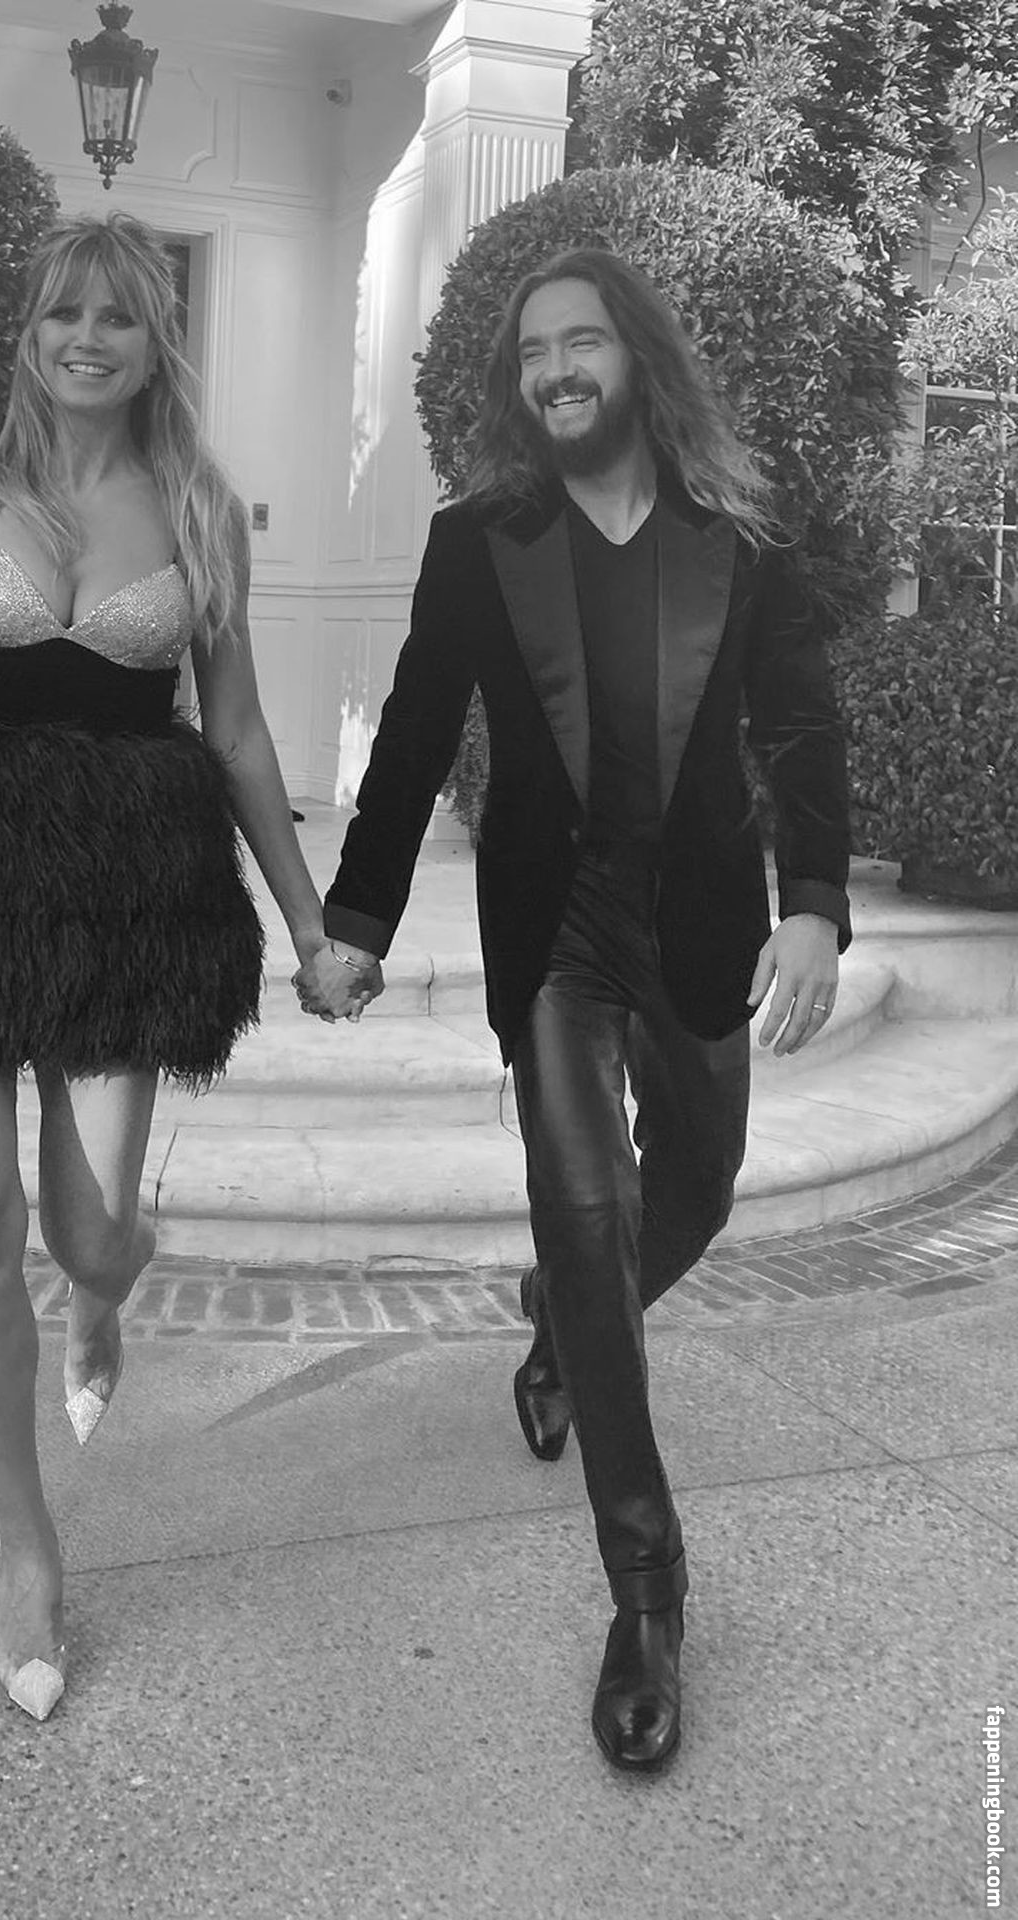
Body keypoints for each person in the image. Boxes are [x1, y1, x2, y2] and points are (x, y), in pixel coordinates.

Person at [0, 212, 365, 1722]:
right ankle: (27, 1548)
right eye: (60, 314)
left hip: (121, 900)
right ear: (28, 333)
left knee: (87, 1237)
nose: (86, 340)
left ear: (155, 341)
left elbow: (237, 731)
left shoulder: (201, 508)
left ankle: (103, 1300)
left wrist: (309, 926)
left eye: (116, 316)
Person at [306, 249, 852, 1772]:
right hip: (553, 929)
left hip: (696, 923)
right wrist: (356, 921)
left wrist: (814, 904)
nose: (555, 369)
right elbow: (415, 730)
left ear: (637, 356)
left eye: (582, 341)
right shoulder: (480, 539)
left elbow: (802, 724)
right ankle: (647, 1595)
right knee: (589, 1208)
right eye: (533, 350)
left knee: (698, 1190)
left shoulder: (738, 532)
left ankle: (562, 1329)